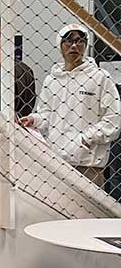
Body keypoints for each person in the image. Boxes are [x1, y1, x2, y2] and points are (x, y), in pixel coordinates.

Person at [19, 24, 121, 188]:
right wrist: (34, 120)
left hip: (88, 166)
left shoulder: (100, 78)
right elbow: (46, 115)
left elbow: (114, 119)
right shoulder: (51, 80)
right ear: (59, 44)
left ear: (86, 45)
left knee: (88, 212)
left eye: (79, 41)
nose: (74, 45)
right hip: (56, 163)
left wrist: (87, 138)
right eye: (68, 41)